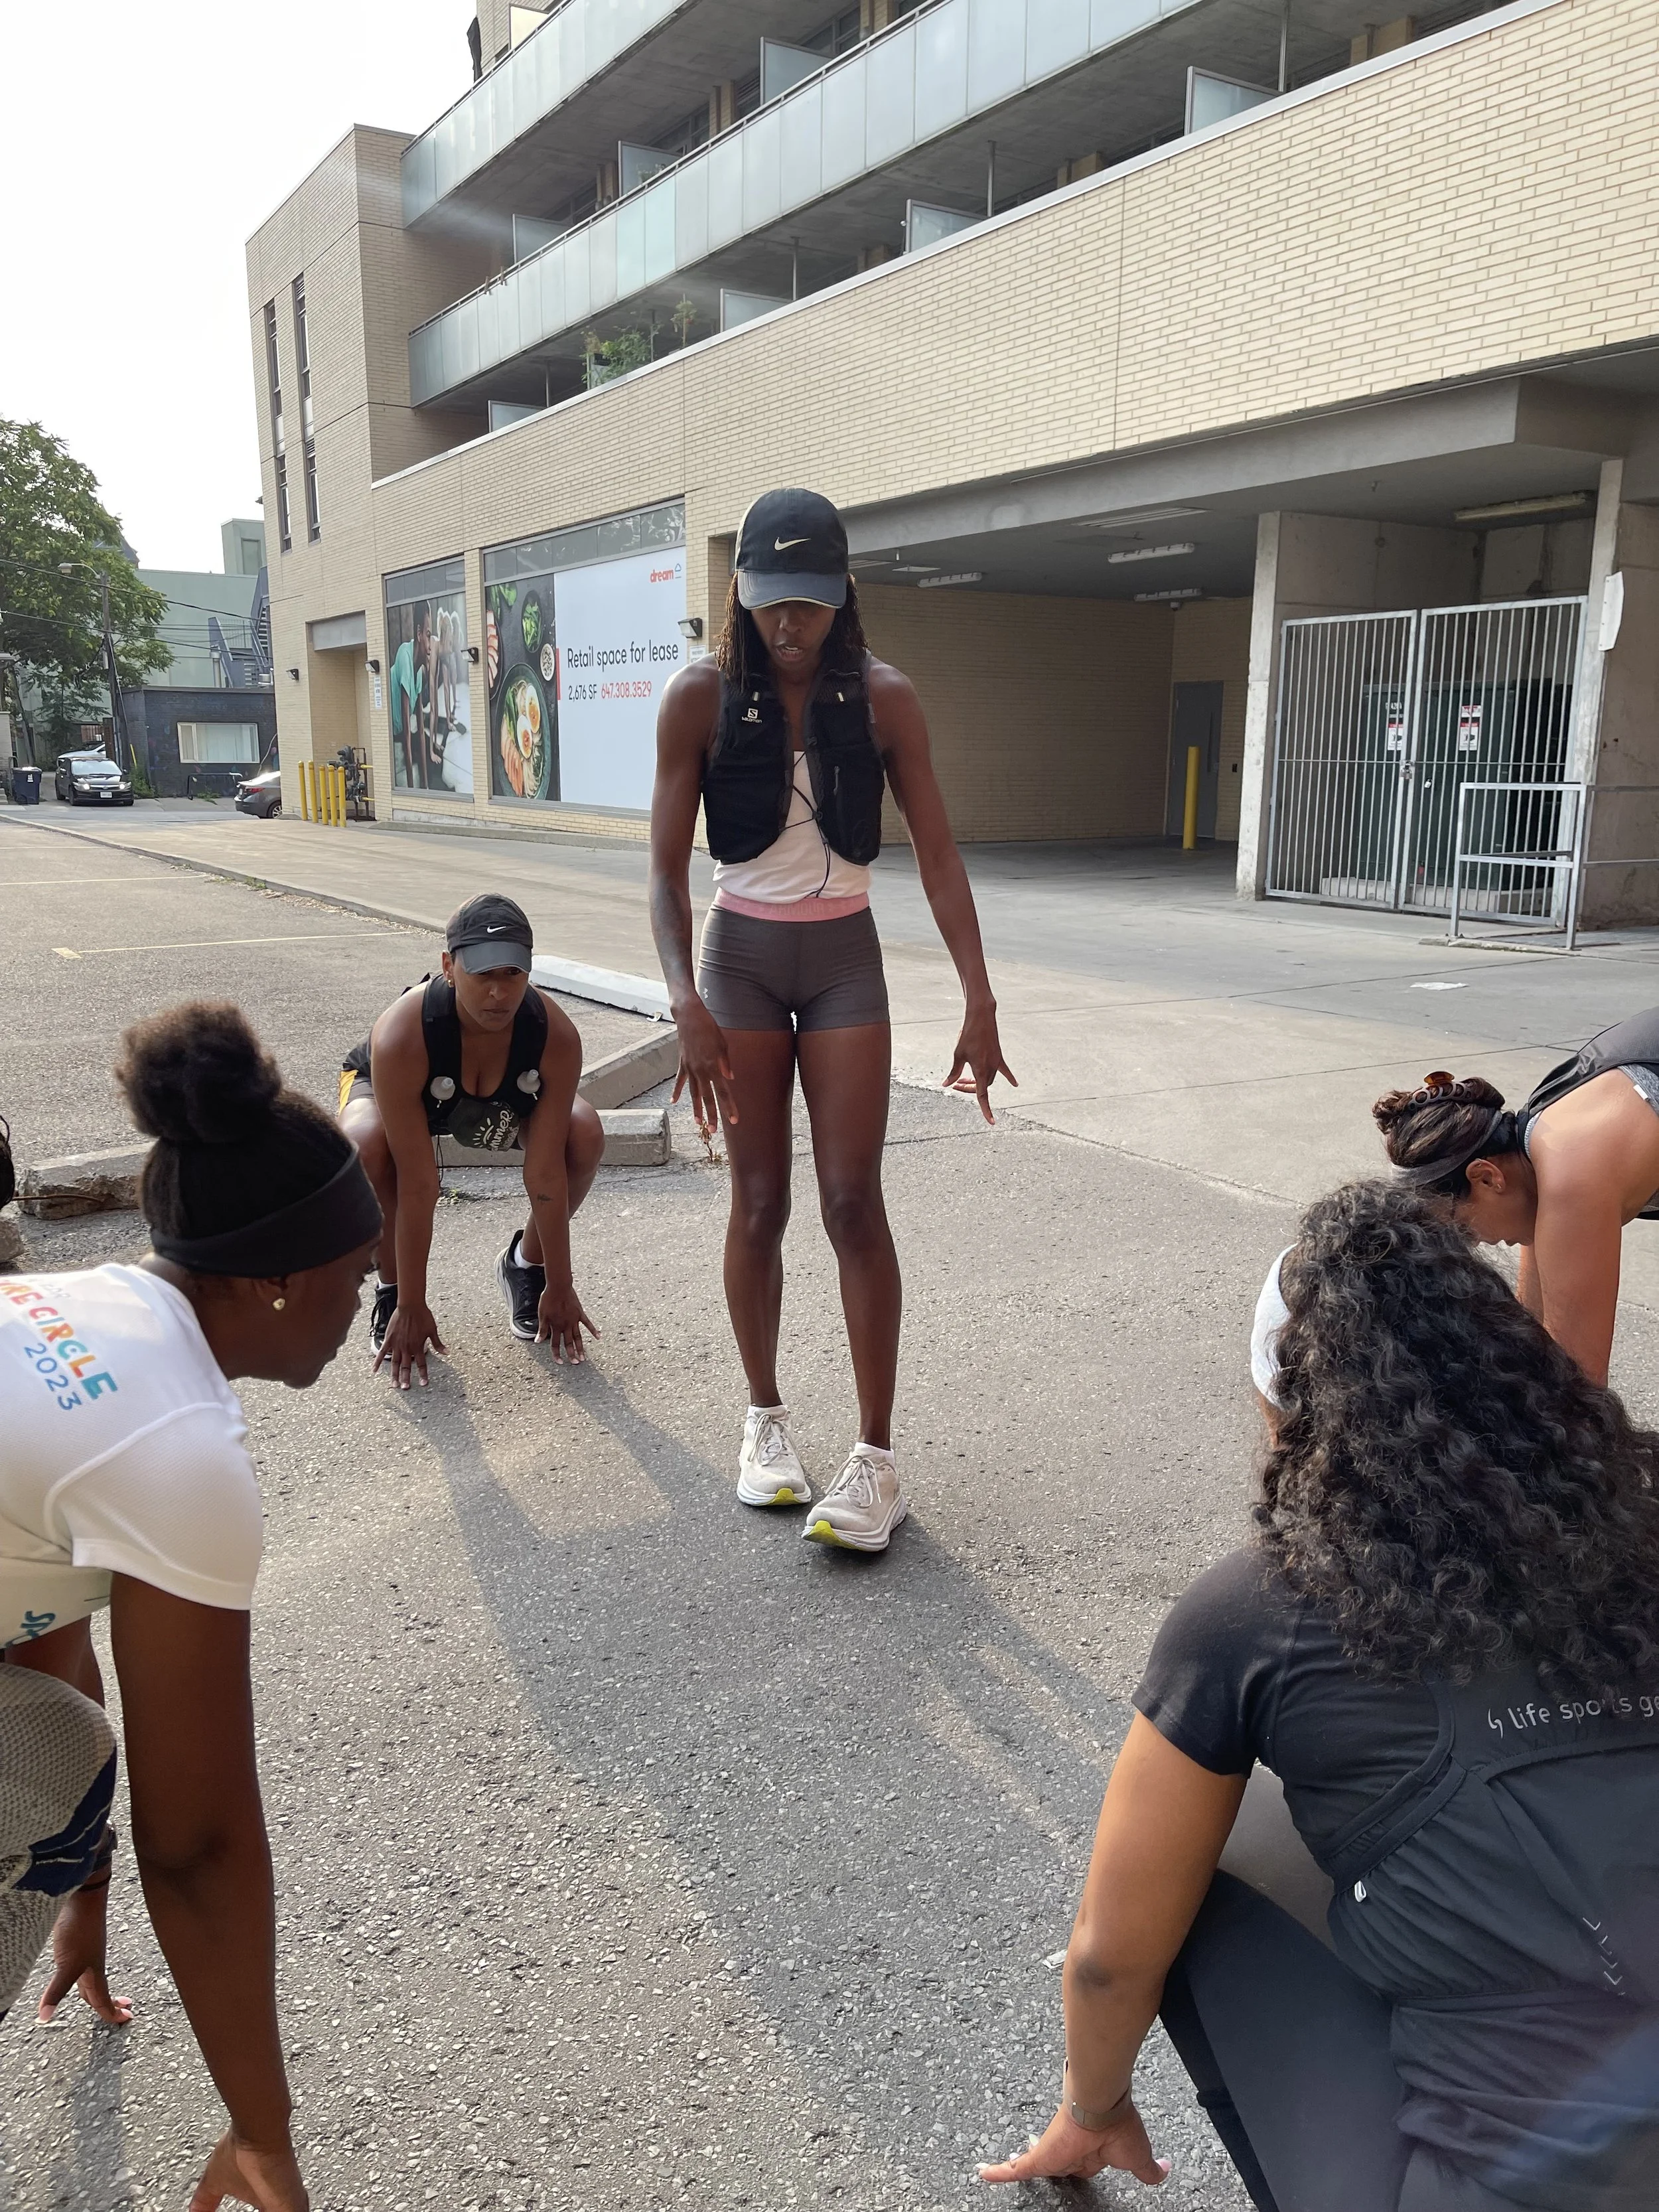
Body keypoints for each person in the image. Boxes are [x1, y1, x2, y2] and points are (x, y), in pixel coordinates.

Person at [982, 1181, 1659, 2211]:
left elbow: (1110, 1959)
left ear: (1287, 1411)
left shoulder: (1260, 1610)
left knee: (1208, 1854)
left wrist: (1093, 2106)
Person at [1, 1001, 383, 2212]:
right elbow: (201, 1842)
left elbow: (40, 1637)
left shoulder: (80, 1308)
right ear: (276, 1279)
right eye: (358, 1271)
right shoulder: (178, 1444)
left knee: (64, 1746)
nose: (367, 1293)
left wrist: (69, 1884)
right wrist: (263, 2130)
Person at [648, 488, 1014, 1552]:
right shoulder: (699, 697)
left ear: (844, 592)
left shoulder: (886, 698)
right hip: (740, 963)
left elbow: (938, 856)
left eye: (809, 601)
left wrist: (979, 996)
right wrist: (684, 1001)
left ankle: (875, 1461)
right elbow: (664, 873)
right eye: (772, 601)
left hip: (845, 955)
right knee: (758, 1201)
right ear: (741, 592)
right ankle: (763, 1422)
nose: (790, 623)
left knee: (853, 1203)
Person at [339, 892, 603, 1387]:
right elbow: (420, 1184)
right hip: (398, 1088)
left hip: (498, 1095)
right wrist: (413, 1302)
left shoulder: (555, 1035)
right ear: (448, 966)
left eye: (512, 973)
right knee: (365, 1148)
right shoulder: (401, 1034)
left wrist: (561, 1284)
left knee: (583, 1133)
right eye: (482, 974)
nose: (499, 992)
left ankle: (524, 1265)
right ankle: (392, 1288)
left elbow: (545, 1171)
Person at [1370, 1005, 1659, 1384]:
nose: (1477, 1244)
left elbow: (1580, 1386)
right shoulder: (1534, 1156)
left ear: (1486, 1178)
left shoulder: (1571, 1178)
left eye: (1462, 1230)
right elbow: (1533, 1335)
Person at [388, 601, 431, 789]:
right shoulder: (405, 657)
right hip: (394, 735)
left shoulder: (419, 672)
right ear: (419, 633)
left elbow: (420, 730)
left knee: (426, 742)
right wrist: (413, 791)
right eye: (428, 635)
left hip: (402, 733)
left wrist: (426, 786)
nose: (431, 646)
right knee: (408, 769)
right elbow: (407, 733)